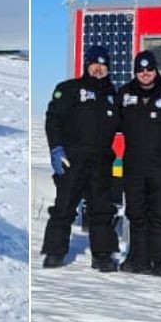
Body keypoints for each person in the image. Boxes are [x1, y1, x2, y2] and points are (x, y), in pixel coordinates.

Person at [41, 45, 121, 271]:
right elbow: (53, 120)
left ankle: (103, 256)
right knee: (64, 207)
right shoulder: (69, 89)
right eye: (95, 64)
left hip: (101, 161)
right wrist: (56, 149)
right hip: (72, 159)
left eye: (103, 65)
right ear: (87, 65)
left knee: (101, 209)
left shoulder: (112, 96)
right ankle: (54, 253)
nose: (99, 68)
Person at [116, 49, 161, 278]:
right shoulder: (124, 95)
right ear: (135, 72)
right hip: (134, 166)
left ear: (155, 70)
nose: (145, 74)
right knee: (136, 214)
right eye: (140, 70)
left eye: (149, 69)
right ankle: (138, 260)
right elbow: (107, 124)